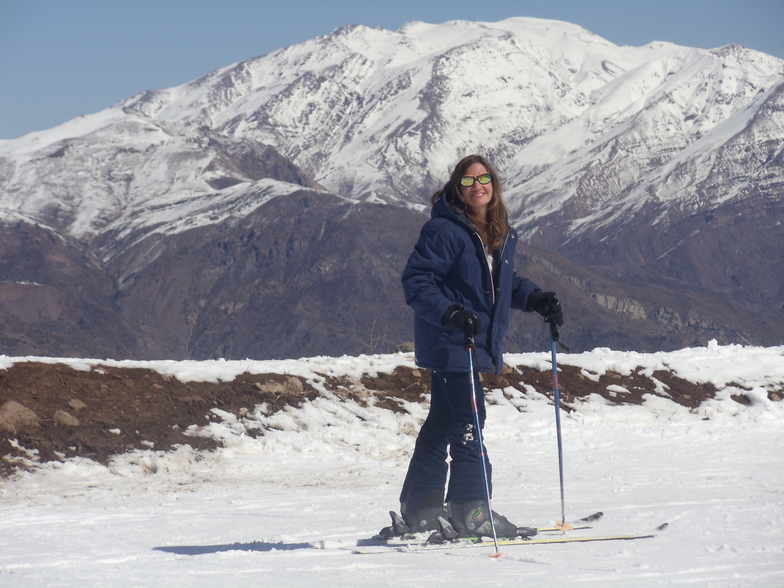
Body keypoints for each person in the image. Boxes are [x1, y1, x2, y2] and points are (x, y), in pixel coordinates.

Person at [390, 154, 563, 540]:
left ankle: (422, 507)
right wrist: (450, 313)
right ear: (457, 188)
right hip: (453, 341)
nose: (478, 186)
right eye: (468, 181)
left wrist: (536, 299)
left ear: (494, 184)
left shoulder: (496, 229)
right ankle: (471, 512)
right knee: (470, 424)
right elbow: (417, 283)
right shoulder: (446, 231)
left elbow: (499, 284)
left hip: (466, 341)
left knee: (443, 423)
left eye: (484, 179)